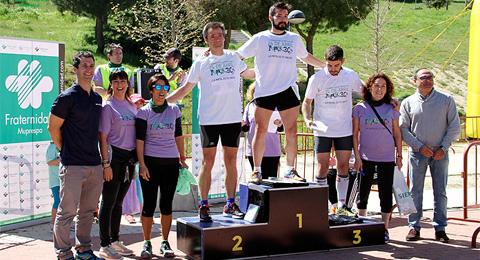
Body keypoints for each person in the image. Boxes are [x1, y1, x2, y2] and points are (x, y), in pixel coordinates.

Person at [167, 22, 255, 222]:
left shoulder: (233, 58)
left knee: (231, 162)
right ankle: (204, 205)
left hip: (232, 119)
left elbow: (249, 74)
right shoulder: (201, 62)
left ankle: (230, 204)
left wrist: (272, 68)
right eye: (212, 36)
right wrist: (163, 100)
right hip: (210, 120)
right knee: (208, 163)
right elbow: (185, 89)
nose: (217, 38)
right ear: (206, 40)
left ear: (224, 37)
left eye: (220, 35)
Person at [236, 2, 325, 183]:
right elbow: (238, 55)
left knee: (291, 131)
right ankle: (257, 171)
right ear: (271, 18)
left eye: (285, 16)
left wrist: (325, 66)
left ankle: (290, 170)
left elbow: (305, 56)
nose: (282, 19)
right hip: (265, 91)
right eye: (279, 16)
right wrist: (222, 59)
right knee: (260, 131)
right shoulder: (260, 38)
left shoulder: (294, 39)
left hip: (288, 90)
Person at [48, 51, 104, 260]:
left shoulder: (97, 98)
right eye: (84, 66)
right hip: (72, 165)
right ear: (75, 70)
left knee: (88, 212)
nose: (88, 70)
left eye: (91, 66)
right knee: (66, 213)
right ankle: (63, 254)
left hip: (94, 165)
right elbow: (53, 128)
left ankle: (84, 250)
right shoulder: (66, 98)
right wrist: (64, 150)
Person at [399, 68, 461, 243]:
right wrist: (419, 146)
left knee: (440, 192)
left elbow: (455, 127)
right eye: (423, 77)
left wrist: (444, 147)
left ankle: (440, 229)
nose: (427, 80)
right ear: (415, 81)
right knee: (415, 192)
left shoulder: (446, 100)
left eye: (430, 77)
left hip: (440, 154)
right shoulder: (408, 103)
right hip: (418, 154)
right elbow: (403, 129)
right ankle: (414, 227)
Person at [302, 45, 363, 211]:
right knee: (322, 166)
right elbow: (307, 102)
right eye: (329, 65)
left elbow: (366, 93)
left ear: (343, 61)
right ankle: (321, 204)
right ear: (325, 61)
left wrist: (387, 102)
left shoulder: (350, 75)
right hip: (322, 129)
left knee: (343, 166)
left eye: (336, 65)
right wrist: (307, 120)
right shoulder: (317, 78)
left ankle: (343, 205)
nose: (333, 69)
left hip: (344, 129)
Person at [136, 74, 188, 258]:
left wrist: (182, 159)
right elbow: (140, 140)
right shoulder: (143, 112)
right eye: (158, 88)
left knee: (166, 204)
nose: (162, 92)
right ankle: (147, 242)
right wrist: (142, 165)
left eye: (165, 88)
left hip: (171, 164)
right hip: (150, 164)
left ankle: (165, 242)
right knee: (148, 205)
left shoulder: (174, 110)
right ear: (150, 90)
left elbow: (179, 136)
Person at [352, 73, 403, 243]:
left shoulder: (392, 109)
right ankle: (362, 224)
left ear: (387, 90)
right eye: (376, 85)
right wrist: (357, 157)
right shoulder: (360, 108)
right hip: (366, 157)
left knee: (385, 193)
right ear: (369, 87)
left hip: (387, 157)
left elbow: (397, 133)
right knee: (363, 192)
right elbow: (355, 134)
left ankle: (384, 227)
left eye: (383, 86)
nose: (379, 89)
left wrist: (399, 155)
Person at [97, 69, 137, 259]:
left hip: (129, 159)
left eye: (123, 80)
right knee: (108, 202)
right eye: (116, 81)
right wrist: (106, 164)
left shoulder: (130, 104)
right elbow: (102, 136)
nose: (120, 84)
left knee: (119, 202)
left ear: (128, 84)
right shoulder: (108, 106)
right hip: (113, 158)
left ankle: (115, 240)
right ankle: (104, 245)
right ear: (111, 85)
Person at [243, 83, 283, 179]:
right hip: (254, 151)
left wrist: (280, 124)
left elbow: (282, 127)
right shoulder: (250, 106)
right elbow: (245, 128)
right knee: (257, 182)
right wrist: (242, 124)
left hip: (272, 150)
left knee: (271, 180)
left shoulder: (277, 106)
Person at [122, 94, 146, 224]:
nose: (138, 105)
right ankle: (128, 212)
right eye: (136, 103)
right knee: (129, 184)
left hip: (142, 155)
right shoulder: (127, 118)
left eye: (140, 103)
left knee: (141, 184)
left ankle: (144, 213)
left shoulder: (145, 117)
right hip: (128, 156)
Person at [46, 141, 60, 233]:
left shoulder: (65, 145)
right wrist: (63, 158)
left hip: (66, 179)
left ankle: (68, 223)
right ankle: (54, 225)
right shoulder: (52, 147)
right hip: (56, 180)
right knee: (57, 201)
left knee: (66, 203)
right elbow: (49, 162)